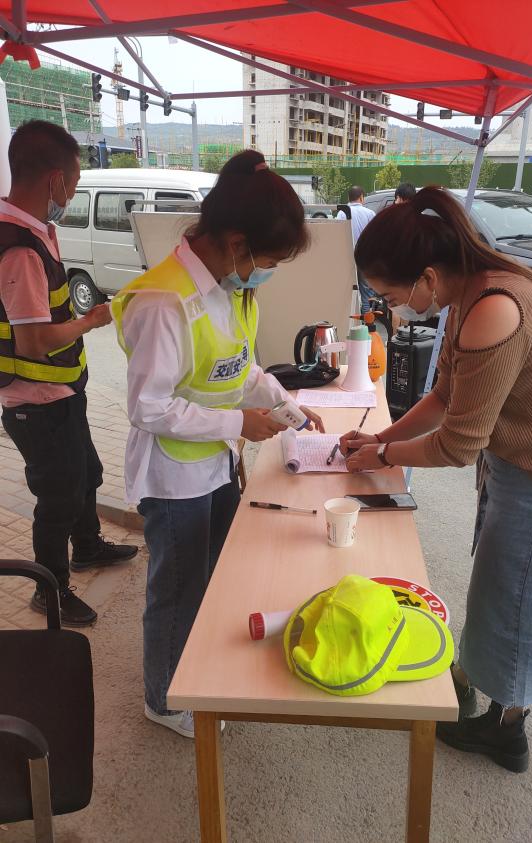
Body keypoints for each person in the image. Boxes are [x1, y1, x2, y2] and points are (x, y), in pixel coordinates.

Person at [340, 186, 532, 773]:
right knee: (501, 589)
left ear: (427, 277)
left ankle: (507, 730)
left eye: (390, 294)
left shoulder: (494, 307)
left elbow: (457, 444)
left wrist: (381, 457)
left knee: (526, 603)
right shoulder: (468, 293)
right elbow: (444, 395)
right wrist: (382, 439)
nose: (392, 306)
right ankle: (472, 679)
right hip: (528, 465)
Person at [112, 150, 324, 739]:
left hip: (214, 463)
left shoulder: (230, 287)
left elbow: (239, 367)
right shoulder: (164, 302)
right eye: (269, 261)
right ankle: (164, 699)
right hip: (172, 475)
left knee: (213, 573)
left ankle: (199, 667)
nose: (267, 273)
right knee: (177, 590)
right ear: (236, 245)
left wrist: (285, 405)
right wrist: (237, 424)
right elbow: (147, 407)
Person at [0, 121, 138, 627]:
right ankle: (50, 588)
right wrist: (91, 320)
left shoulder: (36, 231)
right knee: (57, 496)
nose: (72, 195)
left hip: (61, 388)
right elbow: (33, 341)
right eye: (74, 184)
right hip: (35, 402)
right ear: (55, 179)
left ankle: (88, 546)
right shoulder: (19, 248)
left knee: (86, 475)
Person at [336, 185, 376, 313]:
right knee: (367, 292)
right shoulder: (370, 214)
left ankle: (351, 320)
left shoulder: (342, 213)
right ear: (361, 197)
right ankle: (367, 321)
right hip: (365, 259)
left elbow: (338, 236)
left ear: (349, 198)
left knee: (349, 292)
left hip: (347, 259)